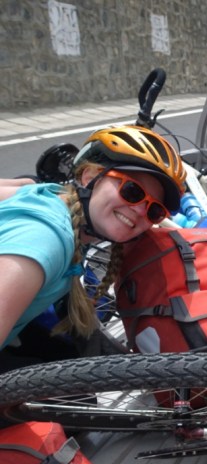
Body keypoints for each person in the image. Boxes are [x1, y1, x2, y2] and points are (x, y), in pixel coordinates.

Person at [0, 125, 186, 370]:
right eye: (132, 191)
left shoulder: (47, 194)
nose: (141, 211)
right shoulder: (45, 240)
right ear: (89, 176)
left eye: (154, 210)